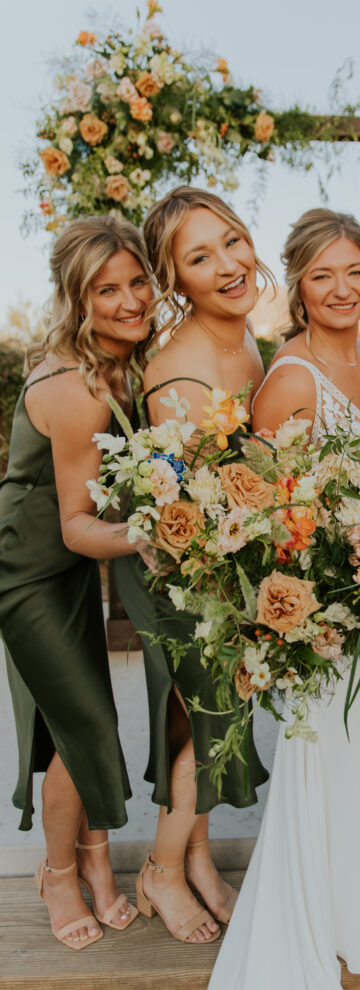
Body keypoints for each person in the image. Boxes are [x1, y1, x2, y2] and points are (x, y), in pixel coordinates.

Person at [200, 209, 360, 990]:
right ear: (297, 284)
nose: (341, 288)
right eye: (322, 274)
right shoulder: (289, 379)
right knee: (325, 762)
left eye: (354, 271)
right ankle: (315, 914)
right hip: (322, 617)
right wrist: (311, 604)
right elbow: (257, 516)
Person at [114, 187, 272, 944]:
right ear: (174, 281)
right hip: (184, 569)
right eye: (199, 257)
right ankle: (163, 870)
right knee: (213, 726)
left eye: (232, 241)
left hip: (230, 561)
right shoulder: (180, 372)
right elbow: (182, 508)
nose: (228, 265)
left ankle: (199, 862)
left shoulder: (247, 341)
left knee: (202, 724)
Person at [0, 216, 157, 949]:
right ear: (77, 297)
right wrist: (163, 534)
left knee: (86, 717)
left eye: (137, 282)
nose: (130, 300)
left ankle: (94, 863)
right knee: (85, 726)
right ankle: (58, 874)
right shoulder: (75, 387)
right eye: (107, 290)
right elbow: (74, 525)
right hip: (26, 576)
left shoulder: (124, 361)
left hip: (65, 574)